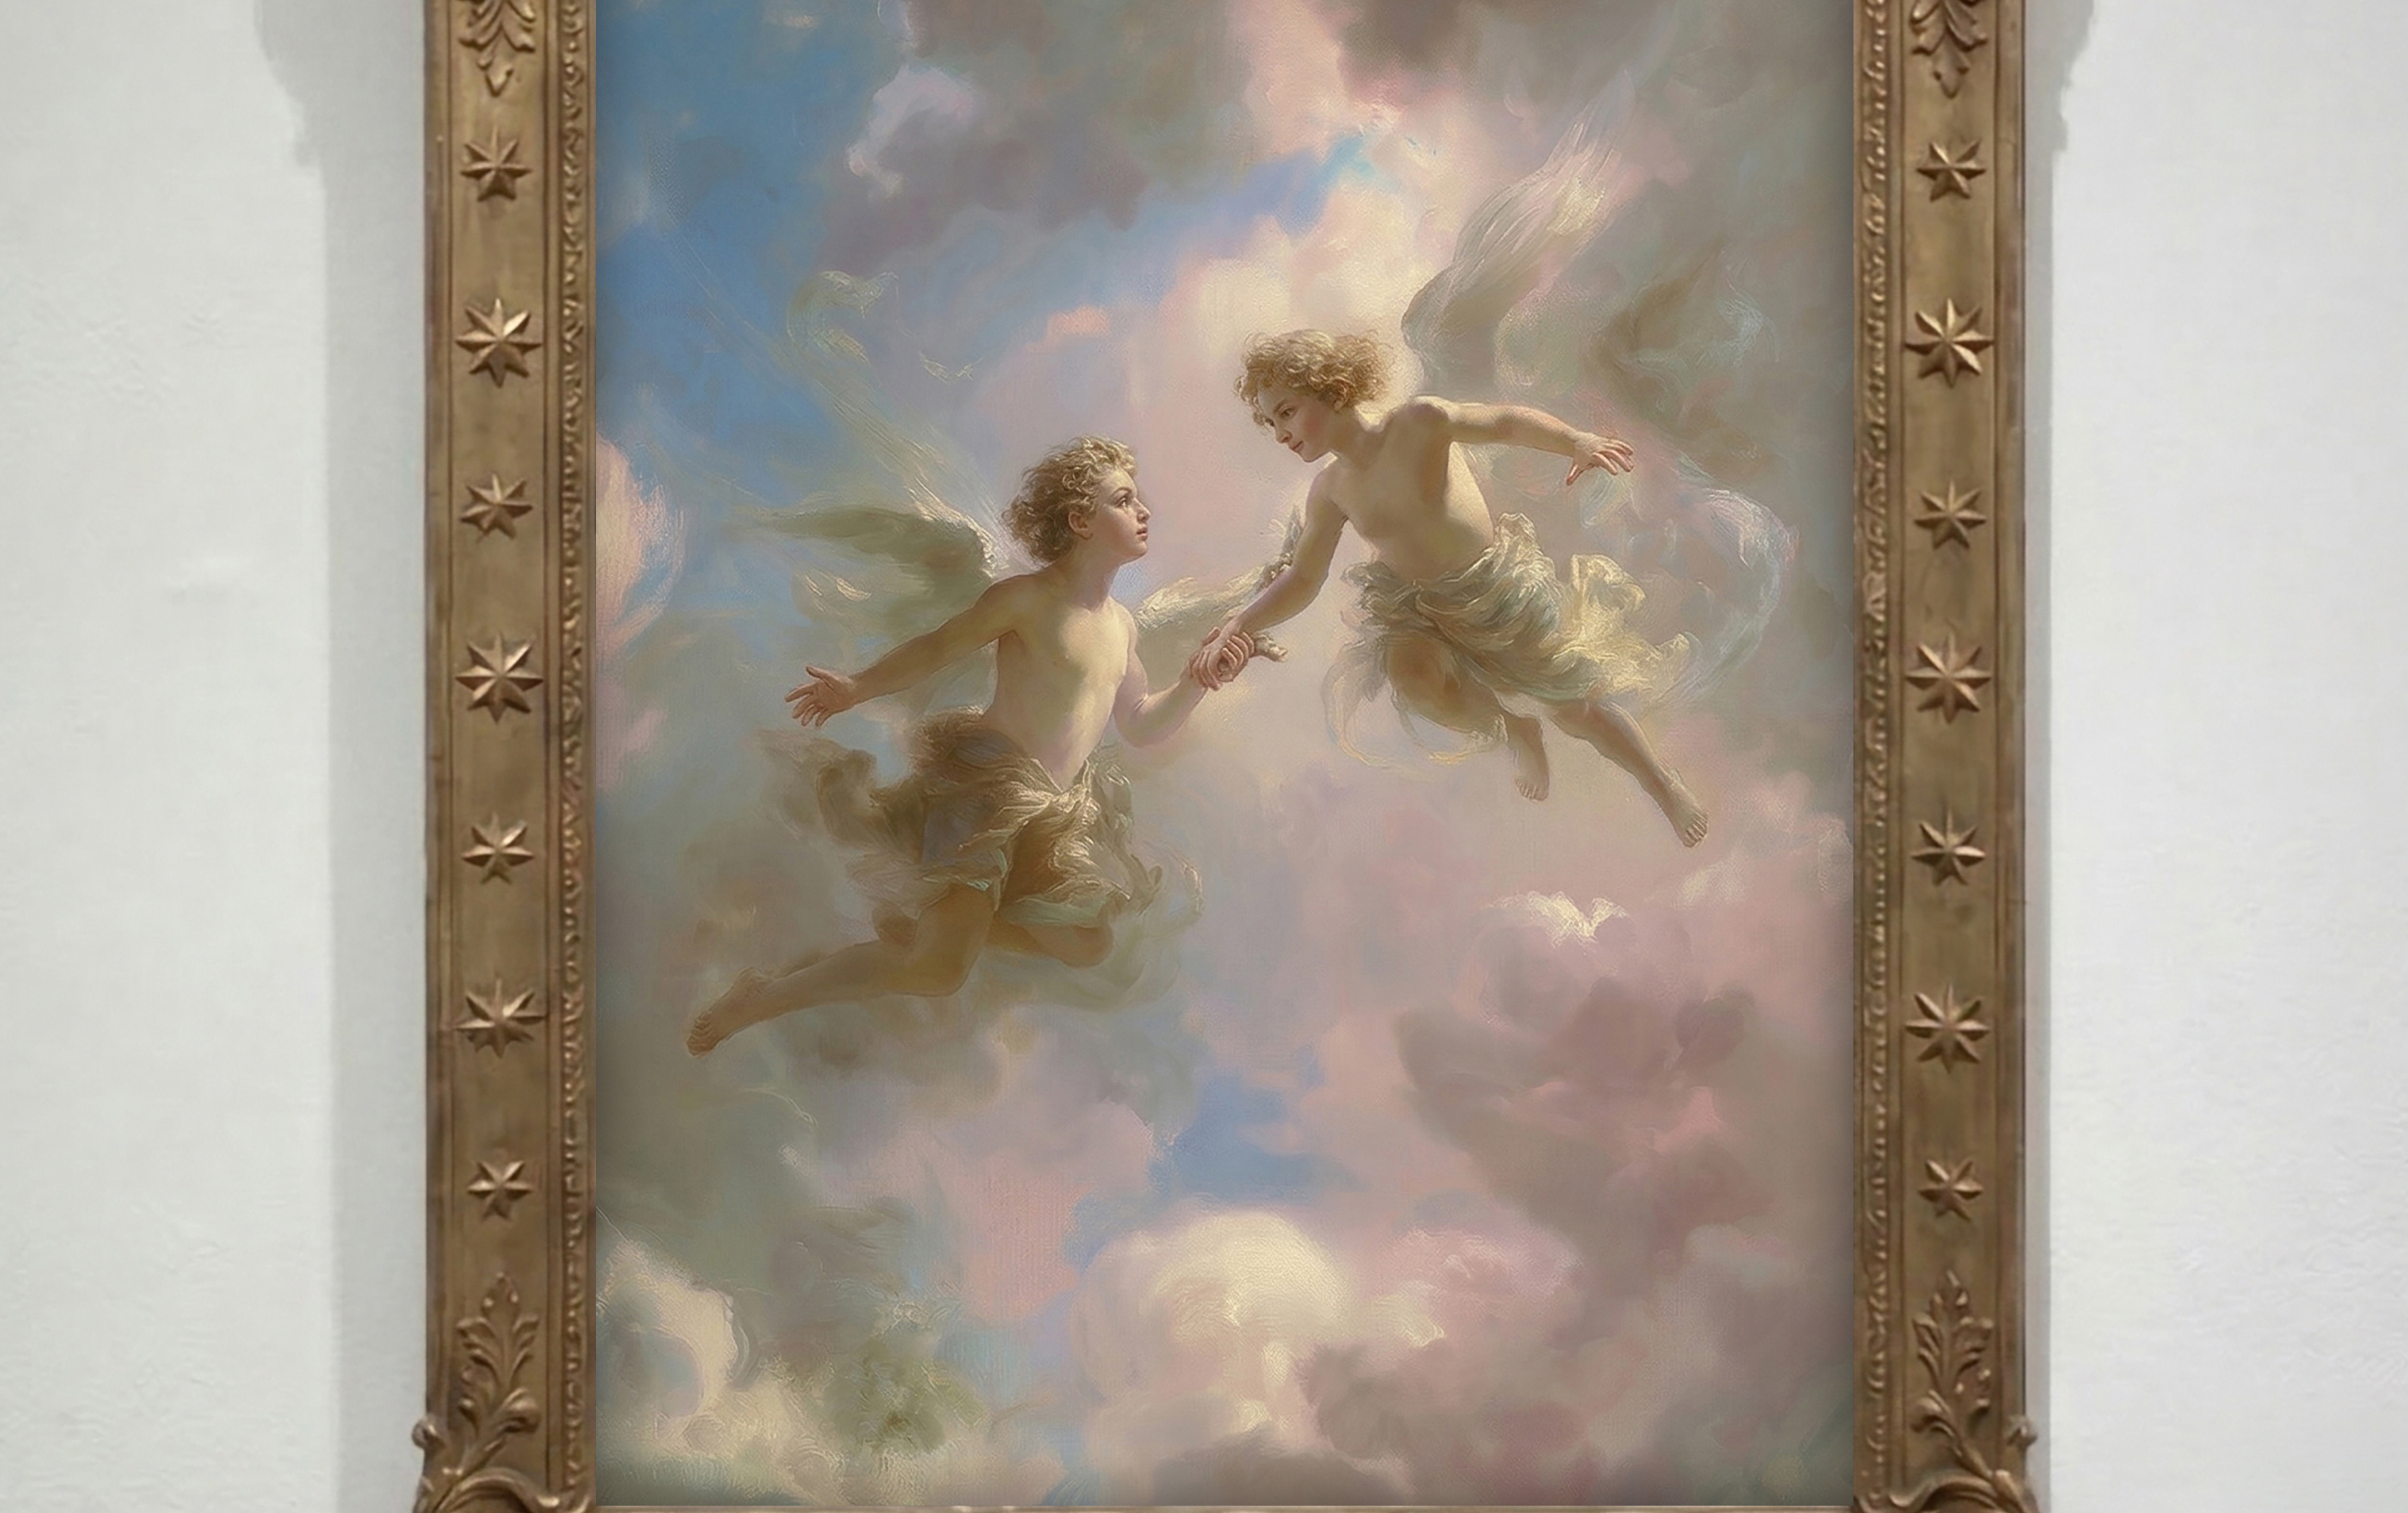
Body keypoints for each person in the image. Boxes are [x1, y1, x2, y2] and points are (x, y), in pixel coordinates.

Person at [687, 438, 1229, 1050]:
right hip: (987, 793)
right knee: (939, 973)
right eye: (1124, 500)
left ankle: (936, 927)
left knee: (1089, 942)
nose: (1144, 510)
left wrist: (1197, 681)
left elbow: (1140, 722)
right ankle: (765, 995)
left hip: (1053, 813)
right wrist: (857, 686)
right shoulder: (1028, 599)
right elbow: (939, 647)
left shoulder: (1122, 626)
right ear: (1080, 520)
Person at [1186, 327, 1707, 842]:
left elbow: (1503, 423)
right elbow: (1303, 577)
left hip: (1495, 594)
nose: (1280, 433)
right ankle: (1512, 725)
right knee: (1412, 677)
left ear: (1331, 387)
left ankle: (1663, 785)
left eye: (1286, 412)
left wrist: (1576, 441)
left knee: (1576, 711)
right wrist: (1239, 621)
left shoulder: (1419, 421)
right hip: (1418, 609)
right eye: (1270, 422)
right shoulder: (1330, 490)